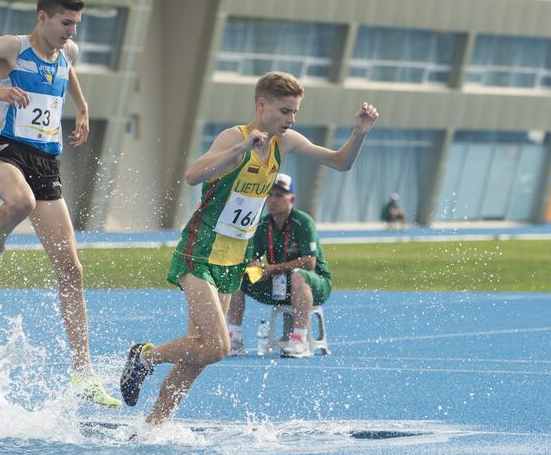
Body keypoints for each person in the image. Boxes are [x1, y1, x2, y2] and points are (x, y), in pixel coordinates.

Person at [120, 71, 379, 426]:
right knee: (217, 346)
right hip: (201, 250)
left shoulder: (284, 143)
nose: (292, 119)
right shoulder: (234, 136)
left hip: (232, 259)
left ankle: (153, 427)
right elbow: (194, 175)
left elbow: (340, 162)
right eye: (286, 111)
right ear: (262, 104)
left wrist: (359, 134)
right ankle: (144, 357)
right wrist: (240, 149)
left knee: (200, 353)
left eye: (294, 112)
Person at [0, 0, 120, 408]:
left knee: (72, 270)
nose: (71, 32)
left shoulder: (66, 51)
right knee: (19, 202)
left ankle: (83, 374)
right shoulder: (11, 47)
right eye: (65, 23)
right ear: (43, 17)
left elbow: (68, 71)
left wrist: (84, 108)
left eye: (75, 25)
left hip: (46, 162)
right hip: (6, 151)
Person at [226, 173, 331, 358]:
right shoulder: (263, 224)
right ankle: (234, 337)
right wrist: (255, 266)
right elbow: (253, 258)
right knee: (238, 275)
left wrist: (274, 269)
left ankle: (299, 340)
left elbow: (310, 262)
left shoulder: (303, 222)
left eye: (279, 195)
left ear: (292, 198)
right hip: (278, 282)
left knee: (298, 274)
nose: (273, 200)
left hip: (315, 283)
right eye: (270, 194)